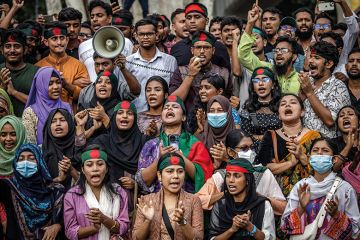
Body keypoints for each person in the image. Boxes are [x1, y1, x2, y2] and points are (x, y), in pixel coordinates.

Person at [281, 138, 360, 239]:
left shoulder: (345, 189)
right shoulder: (301, 187)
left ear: (334, 159)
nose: (319, 153)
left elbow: (355, 231)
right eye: (315, 150)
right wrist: (301, 207)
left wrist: (336, 215)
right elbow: (284, 227)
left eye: (325, 150)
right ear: (309, 158)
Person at [135, 95, 213, 194]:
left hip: (187, 203)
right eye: (166, 107)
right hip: (157, 204)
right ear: (161, 116)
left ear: (184, 117)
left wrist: (182, 158)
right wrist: (160, 159)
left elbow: (204, 177)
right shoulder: (151, 145)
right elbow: (142, 181)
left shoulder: (195, 144)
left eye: (175, 107)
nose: (169, 108)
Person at [196, 129, 286, 213]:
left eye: (252, 147)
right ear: (231, 152)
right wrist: (224, 194)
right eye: (244, 148)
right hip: (227, 227)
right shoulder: (222, 176)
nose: (250, 152)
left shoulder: (263, 173)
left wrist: (260, 198)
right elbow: (197, 201)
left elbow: (283, 207)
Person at [256, 94, 320, 197]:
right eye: (283, 104)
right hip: (280, 195)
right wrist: (291, 163)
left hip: (312, 192)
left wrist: (302, 157)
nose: (287, 105)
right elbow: (264, 167)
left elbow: (322, 169)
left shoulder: (315, 136)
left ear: (302, 112)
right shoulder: (270, 136)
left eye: (293, 102)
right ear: (279, 115)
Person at [76, 100, 151, 187]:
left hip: (137, 197)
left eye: (129, 113)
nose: (125, 116)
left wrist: (137, 184)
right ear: (114, 117)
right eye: (120, 113)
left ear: (135, 119)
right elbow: (80, 158)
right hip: (109, 194)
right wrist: (80, 126)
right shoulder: (104, 141)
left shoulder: (145, 142)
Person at [64, 146, 130, 240]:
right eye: (89, 165)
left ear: (106, 169)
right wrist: (94, 228)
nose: (95, 169)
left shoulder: (118, 192)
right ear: (83, 170)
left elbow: (124, 227)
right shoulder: (72, 195)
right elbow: (70, 232)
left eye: (100, 164)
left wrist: (104, 219)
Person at [132, 153, 204, 239]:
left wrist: (182, 222)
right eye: (170, 171)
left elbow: (199, 238)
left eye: (180, 171)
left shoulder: (194, 201)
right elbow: (135, 237)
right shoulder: (147, 201)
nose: (176, 176)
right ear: (159, 175)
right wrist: (148, 220)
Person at [0, 143, 64, 240]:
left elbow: (68, 219)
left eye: (31, 158)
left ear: (40, 162)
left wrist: (58, 226)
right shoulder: (8, 187)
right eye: (20, 159)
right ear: (15, 162)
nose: (25, 163)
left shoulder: (56, 190)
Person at [239, 5, 300, 95]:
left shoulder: (301, 80)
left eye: (283, 50)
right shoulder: (268, 69)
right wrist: (250, 23)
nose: (279, 53)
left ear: (294, 56)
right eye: (276, 50)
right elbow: (244, 55)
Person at [208, 159, 276, 239]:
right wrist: (232, 229)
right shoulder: (220, 205)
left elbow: (270, 238)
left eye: (237, 176)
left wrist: (250, 226)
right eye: (228, 175)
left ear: (247, 180)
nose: (231, 180)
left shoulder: (263, 205)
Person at [170, 30, 232, 112]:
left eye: (206, 47)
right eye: (198, 47)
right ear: (192, 50)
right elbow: (173, 101)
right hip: (188, 121)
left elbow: (229, 100)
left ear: (213, 51)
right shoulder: (181, 71)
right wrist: (190, 75)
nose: (202, 52)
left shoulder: (223, 73)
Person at [36, 21, 91, 112]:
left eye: (62, 38)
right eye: (54, 39)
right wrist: (73, 83)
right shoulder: (38, 67)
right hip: (46, 116)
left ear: (67, 40)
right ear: (46, 42)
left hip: (73, 116)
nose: (59, 42)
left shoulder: (78, 65)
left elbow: (86, 95)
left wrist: (66, 84)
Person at [126, 18, 177, 112]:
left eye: (149, 34)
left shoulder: (170, 61)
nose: (145, 37)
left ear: (157, 35)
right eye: (141, 34)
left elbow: (172, 90)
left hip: (162, 115)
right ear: (136, 36)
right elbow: (124, 92)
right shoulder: (128, 62)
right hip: (135, 114)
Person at [301, 41, 351, 138]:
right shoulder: (308, 82)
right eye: (311, 56)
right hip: (304, 144)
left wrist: (309, 93)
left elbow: (330, 121)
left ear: (328, 64)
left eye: (316, 58)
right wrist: (302, 93)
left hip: (327, 146)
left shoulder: (338, 86)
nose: (310, 61)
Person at [171, 2, 231, 71]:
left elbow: (227, 77)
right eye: (189, 18)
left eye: (197, 17)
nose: (192, 21)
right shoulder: (177, 48)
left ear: (207, 20)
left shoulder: (219, 47)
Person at [22, 66, 72, 145]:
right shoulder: (30, 112)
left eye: (58, 82)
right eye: (50, 83)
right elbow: (31, 146)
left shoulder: (67, 107)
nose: (55, 87)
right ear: (40, 86)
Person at [239, 67, 281, 148]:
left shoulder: (282, 105)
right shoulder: (248, 108)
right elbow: (246, 137)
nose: (260, 83)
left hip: (280, 150)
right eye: (256, 80)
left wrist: (259, 137)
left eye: (265, 79)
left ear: (273, 85)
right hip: (256, 151)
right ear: (253, 88)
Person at [0, 29, 39, 117]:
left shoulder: (36, 72)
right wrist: (2, 88)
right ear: (2, 50)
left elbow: (41, 103)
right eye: (8, 46)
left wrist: (14, 92)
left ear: (25, 50)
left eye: (17, 46)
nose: (12, 50)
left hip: (29, 126)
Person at [78, 71, 121, 140]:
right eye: (99, 82)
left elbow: (121, 138)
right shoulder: (85, 107)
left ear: (114, 87)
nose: (103, 85)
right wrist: (86, 127)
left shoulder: (120, 109)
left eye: (108, 82)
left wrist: (104, 117)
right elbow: (78, 142)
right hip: (87, 149)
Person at [42, 108, 79, 190]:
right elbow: (37, 186)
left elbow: (88, 184)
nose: (58, 124)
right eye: (53, 121)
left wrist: (71, 170)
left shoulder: (80, 148)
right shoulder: (40, 151)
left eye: (62, 120)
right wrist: (58, 179)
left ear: (70, 123)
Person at [197, 95, 235, 169]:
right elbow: (195, 169)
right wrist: (214, 166)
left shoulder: (238, 138)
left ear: (228, 113)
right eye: (211, 111)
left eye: (220, 110)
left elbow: (245, 167)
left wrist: (226, 159)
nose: (215, 114)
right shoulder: (199, 137)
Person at [330, 106, 359, 171]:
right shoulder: (332, 144)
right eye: (341, 115)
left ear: (359, 121)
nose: (345, 117)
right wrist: (348, 147)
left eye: (350, 114)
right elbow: (332, 170)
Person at [346, 48, 360, 113]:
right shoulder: (338, 87)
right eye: (351, 61)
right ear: (346, 66)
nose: (354, 64)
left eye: (359, 61)